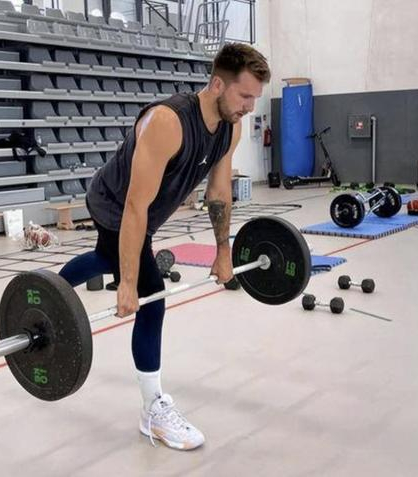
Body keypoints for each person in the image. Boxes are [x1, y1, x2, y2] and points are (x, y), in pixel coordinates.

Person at [58, 43, 271, 450]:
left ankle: (51, 290)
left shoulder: (231, 127)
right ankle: (152, 410)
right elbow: (134, 207)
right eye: (244, 96)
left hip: (147, 210)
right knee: (151, 297)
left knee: (105, 258)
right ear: (217, 84)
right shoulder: (168, 122)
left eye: (254, 99)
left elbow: (219, 192)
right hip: (116, 203)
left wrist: (223, 251)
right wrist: (128, 283)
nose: (249, 107)